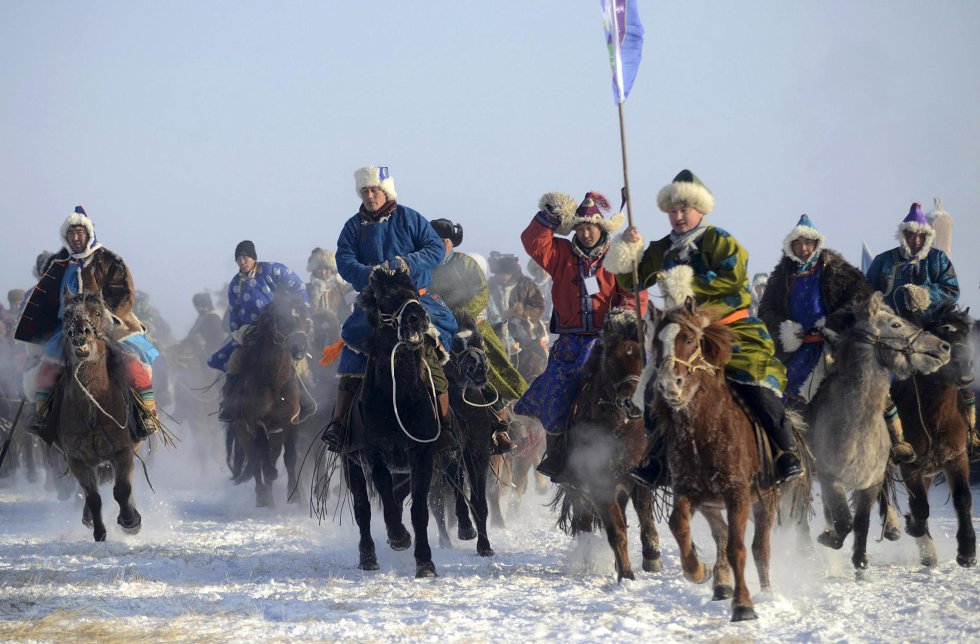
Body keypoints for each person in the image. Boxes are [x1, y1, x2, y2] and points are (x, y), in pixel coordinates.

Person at [606, 170, 804, 484]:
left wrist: (687, 286)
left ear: (700, 210)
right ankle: (656, 460)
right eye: (673, 211)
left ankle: (785, 453)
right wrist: (629, 249)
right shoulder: (661, 249)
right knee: (653, 389)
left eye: (684, 209)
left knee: (755, 381)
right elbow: (631, 280)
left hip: (727, 329)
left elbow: (732, 279)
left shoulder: (720, 240)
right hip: (683, 336)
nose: (678, 216)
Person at [319, 165, 459, 452]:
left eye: (375, 190)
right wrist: (368, 274)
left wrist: (407, 263)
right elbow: (345, 260)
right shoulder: (352, 227)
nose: (370, 196)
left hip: (414, 299)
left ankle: (444, 427)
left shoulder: (410, 218)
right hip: (374, 302)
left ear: (386, 192)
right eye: (365, 191)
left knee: (430, 354)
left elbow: (434, 249)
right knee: (353, 352)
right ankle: (339, 424)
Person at [515, 191, 646, 482]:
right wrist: (550, 215)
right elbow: (533, 242)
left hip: (609, 340)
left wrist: (623, 314)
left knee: (640, 383)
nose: (586, 233)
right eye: (581, 228)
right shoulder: (561, 254)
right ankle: (558, 453)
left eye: (591, 227)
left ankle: (649, 452)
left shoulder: (619, 255)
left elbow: (634, 293)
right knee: (555, 391)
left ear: (602, 229)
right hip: (571, 342)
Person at [16, 206, 160, 439]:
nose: (75, 238)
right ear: (66, 236)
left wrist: (108, 315)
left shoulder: (108, 260)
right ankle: (43, 416)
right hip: (69, 328)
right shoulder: (59, 266)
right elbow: (49, 302)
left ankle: (147, 413)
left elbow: (124, 293)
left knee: (133, 363)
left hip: (106, 325)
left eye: (80, 233)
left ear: (89, 234)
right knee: (46, 368)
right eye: (71, 234)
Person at [757, 215, 893, 455]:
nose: (804, 248)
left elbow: (861, 295)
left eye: (808, 243)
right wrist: (784, 327)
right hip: (797, 348)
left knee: (869, 383)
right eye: (799, 244)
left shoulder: (835, 268)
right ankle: (784, 450)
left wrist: (833, 321)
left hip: (836, 342)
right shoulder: (781, 275)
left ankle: (894, 441)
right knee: (777, 390)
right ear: (792, 246)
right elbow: (766, 309)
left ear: (816, 243)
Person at [866, 202, 974, 450]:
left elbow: (952, 290)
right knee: (875, 376)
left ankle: (970, 430)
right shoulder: (884, 261)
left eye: (920, 235)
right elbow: (867, 293)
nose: (915, 240)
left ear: (927, 237)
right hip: (896, 333)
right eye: (911, 235)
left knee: (963, 363)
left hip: (934, 328)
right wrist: (879, 309)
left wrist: (927, 295)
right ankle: (886, 437)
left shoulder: (938, 259)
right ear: (903, 235)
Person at [428, 218, 521, 454]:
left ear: (452, 242)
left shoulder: (465, 263)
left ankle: (499, 423)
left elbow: (481, 292)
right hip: (437, 329)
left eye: (444, 241)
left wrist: (458, 316)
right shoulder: (424, 266)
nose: (439, 245)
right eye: (434, 240)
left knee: (484, 367)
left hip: (470, 326)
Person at [208, 240, 309, 422]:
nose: (242, 261)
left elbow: (297, 285)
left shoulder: (273, 270)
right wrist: (238, 331)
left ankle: (305, 400)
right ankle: (229, 404)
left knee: (296, 360)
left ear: (253, 257)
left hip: (279, 328)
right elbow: (234, 311)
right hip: (252, 333)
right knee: (234, 361)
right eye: (238, 258)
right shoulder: (235, 284)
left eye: (245, 257)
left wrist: (300, 309)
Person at [486, 251, 546, 367]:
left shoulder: (525, 284)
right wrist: (507, 314)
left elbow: (538, 305)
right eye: (499, 273)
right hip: (497, 329)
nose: (501, 276)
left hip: (527, 330)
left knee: (537, 357)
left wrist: (522, 313)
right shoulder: (490, 285)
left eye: (504, 273)